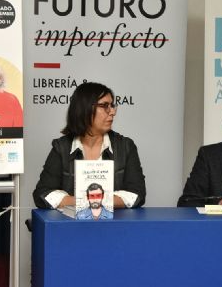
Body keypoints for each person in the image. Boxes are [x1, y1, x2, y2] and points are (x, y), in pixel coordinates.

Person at [33, 82, 146, 210]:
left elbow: (137, 194)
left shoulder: (125, 146)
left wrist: (86, 200)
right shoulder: (61, 148)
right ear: (85, 109)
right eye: (105, 106)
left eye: (112, 106)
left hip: (115, 226)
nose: (112, 112)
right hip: (71, 226)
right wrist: (85, 201)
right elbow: (42, 194)